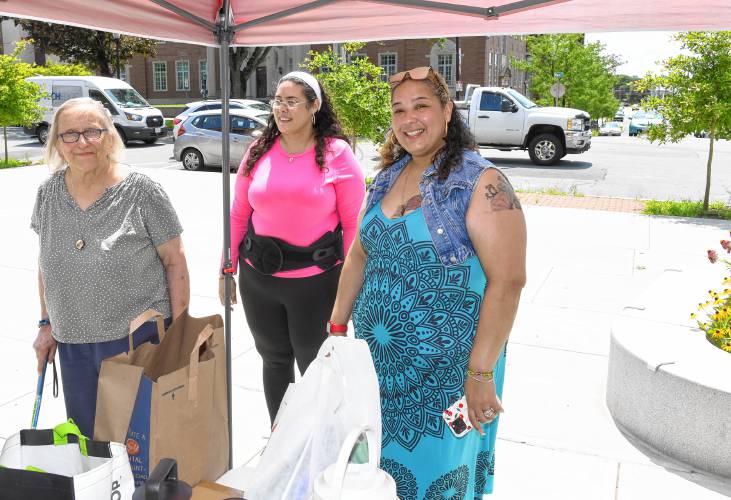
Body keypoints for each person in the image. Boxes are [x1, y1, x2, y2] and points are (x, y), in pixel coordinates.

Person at [328, 67, 526, 499]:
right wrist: (337, 329)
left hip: (448, 376)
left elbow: (508, 282)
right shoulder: (387, 176)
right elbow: (360, 253)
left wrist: (480, 373)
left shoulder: (481, 182)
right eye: (399, 110)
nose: (408, 118)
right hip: (378, 367)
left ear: (447, 111)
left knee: (438, 477)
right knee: (377, 472)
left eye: (421, 106)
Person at [31, 97, 190, 438]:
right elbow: (45, 262)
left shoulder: (142, 190)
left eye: (92, 131)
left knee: (138, 443)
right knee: (90, 441)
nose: (82, 142)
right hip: (71, 342)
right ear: (57, 143)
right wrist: (46, 324)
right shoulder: (48, 193)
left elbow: (175, 260)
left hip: (134, 342)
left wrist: (180, 334)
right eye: (70, 135)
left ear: (110, 135)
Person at [219, 71, 366, 422]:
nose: (281, 109)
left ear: (313, 106)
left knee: (316, 368)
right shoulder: (259, 150)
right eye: (277, 101)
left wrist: (350, 289)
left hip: (315, 284)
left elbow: (353, 228)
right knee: (273, 360)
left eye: (291, 102)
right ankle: (280, 440)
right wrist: (227, 268)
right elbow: (238, 214)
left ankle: (317, 448)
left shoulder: (337, 153)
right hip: (260, 280)